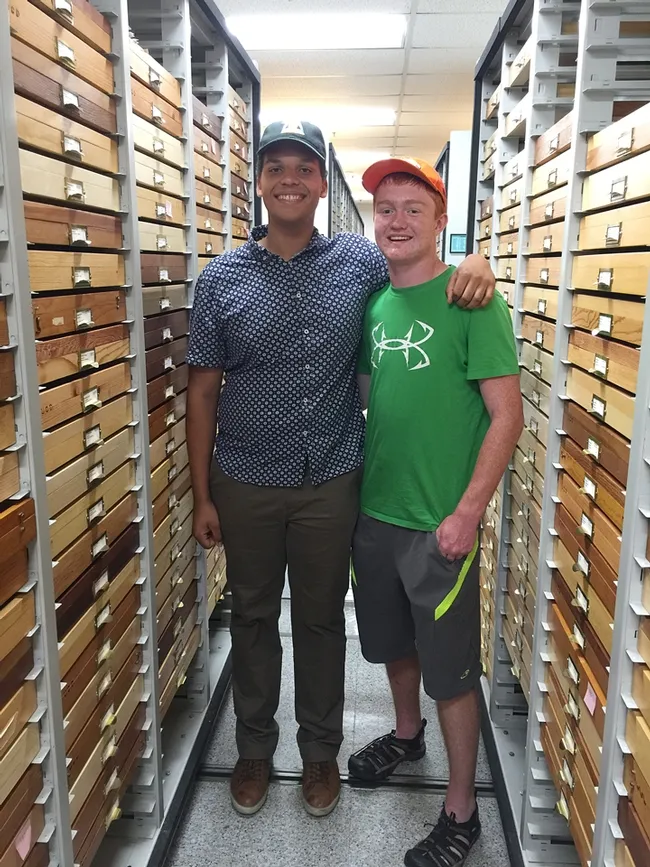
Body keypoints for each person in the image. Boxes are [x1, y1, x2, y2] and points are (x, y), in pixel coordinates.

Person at [185, 121, 496, 820]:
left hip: (332, 477)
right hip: (246, 477)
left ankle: (321, 752)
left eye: (304, 167)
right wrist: (203, 492)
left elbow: (423, 270)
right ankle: (256, 751)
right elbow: (202, 389)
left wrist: (480, 257)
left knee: (323, 621)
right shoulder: (221, 279)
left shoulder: (357, 261)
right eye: (276, 167)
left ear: (323, 183)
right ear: (259, 181)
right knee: (255, 618)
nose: (289, 178)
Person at [348, 157, 523, 866]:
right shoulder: (376, 306)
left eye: (412, 208)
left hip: (440, 523)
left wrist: (468, 512)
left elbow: (505, 417)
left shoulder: (474, 299)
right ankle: (404, 731)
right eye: (385, 207)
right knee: (393, 642)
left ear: (441, 221)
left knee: (451, 669)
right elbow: (371, 397)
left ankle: (460, 808)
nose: (395, 220)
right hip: (377, 513)